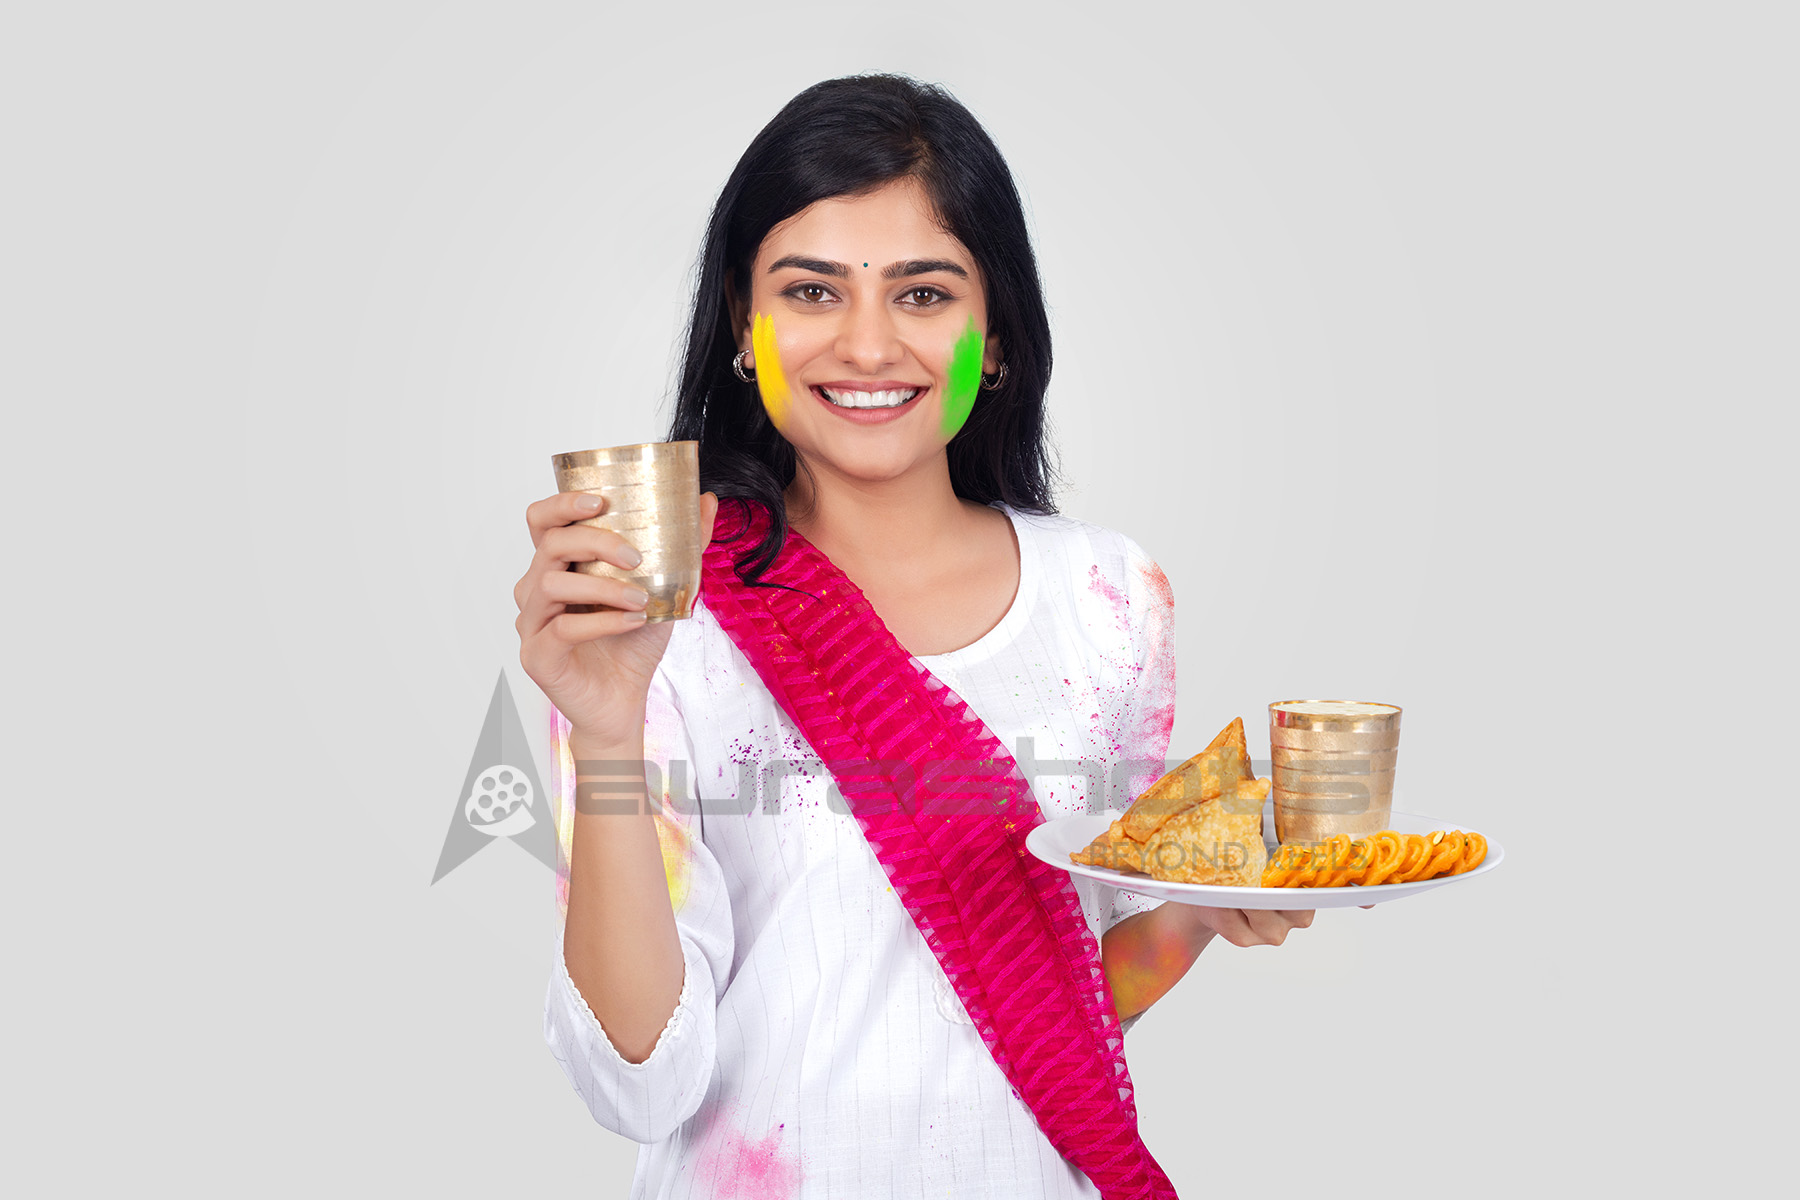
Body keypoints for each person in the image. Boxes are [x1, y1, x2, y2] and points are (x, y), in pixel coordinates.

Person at [515, 74, 1314, 1200]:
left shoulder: (1109, 597)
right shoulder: (659, 615)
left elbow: (1062, 1012)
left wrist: (1198, 908)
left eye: (924, 293)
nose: (868, 344)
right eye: (812, 291)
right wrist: (604, 731)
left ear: (996, 333)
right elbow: (641, 1084)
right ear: (744, 327)